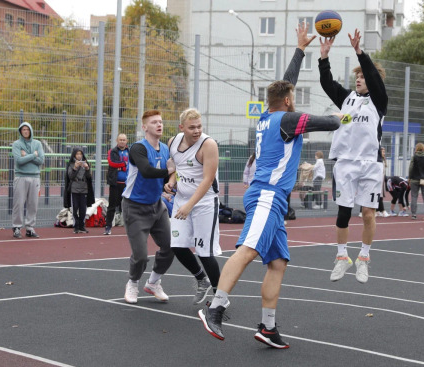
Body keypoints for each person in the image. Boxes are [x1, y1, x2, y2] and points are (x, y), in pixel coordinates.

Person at [199, 22, 341, 348]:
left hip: (269, 198)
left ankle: (268, 327)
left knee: (278, 263)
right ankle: (216, 306)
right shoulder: (289, 120)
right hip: (267, 196)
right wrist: (341, 114)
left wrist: (301, 49)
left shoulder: (267, 116)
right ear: (289, 101)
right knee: (248, 250)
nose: (292, 95)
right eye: (292, 95)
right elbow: (329, 123)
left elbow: (285, 84)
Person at [319, 29, 388, 284]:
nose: (359, 78)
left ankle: (364, 258)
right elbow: (327, 84)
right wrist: (323, 59)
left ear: (372, 80)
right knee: (344, 213)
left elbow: (372, 74)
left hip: (370, 164)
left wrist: (359, 53)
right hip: (346, 163)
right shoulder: (346, 98)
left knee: (368, 214)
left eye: (362, 75)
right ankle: (341, 257)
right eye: (356, 75)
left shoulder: (379, 100)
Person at [165, 108, 221, 305]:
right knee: (178, 246)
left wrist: (189, 205)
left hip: (204, 203)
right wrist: (171, 181)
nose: (197, 130)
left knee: (204, 252)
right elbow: (175, 168)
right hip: (182, 199)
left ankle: (220, 298)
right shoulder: (173, 142)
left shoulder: (208, 145)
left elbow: (207, 180)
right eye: (192, 127)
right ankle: (201, 279)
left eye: (199, 126)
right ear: (182, 127)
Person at [121, 109, 176, 304]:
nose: (159, 125)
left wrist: (168, 184)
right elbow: (146, 171)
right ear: (144, 127)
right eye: (154, 122)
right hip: (134, 207)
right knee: (141, 255)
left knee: (171, 246)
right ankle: (133, 283)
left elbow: (170, 172)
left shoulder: (166, 148)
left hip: (156, 205)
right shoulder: (138, 148)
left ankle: (153, 282)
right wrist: (168, 171)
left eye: (160, 121)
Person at [12, 121, 44, 239]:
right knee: (19, 203)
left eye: (27, 129)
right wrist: (33, 155)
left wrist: (27, 156)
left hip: (35, 177)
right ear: (20, 131)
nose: (25, 131)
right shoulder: (16, 144)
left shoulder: (37, 143)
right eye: (23, 129)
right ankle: (16, 227)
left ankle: (30, 227)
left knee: (33, 203)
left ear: (30, 130)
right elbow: (19, 161)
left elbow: (41, 160)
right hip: (21, 176)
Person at [64, 147, 95, 234]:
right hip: (74, 188)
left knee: (83, 208)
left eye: (80, 154)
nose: (79, 156)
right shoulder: (71, 164)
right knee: (75, 207)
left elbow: (89, 177)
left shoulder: (86, 163)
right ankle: (76, 226)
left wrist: (87, 168)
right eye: (77, 154)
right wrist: (75, 167)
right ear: (74, 155)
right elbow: (70, 177)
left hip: (84, 188)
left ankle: (82, 225)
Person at [104, 133, 129, 235]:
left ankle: (130, 227)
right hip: (115, 183)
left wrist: (121, 166)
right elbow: (112, 163)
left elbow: (132, 164)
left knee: (129, 207)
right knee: (112, 206)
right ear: (117, 141)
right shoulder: (112, 151)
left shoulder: (130, 151)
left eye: (124, 140)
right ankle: (108, 227)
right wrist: (123, 164)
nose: (122, 141)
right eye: (120, 140)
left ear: (126, 141)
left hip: (127, 184)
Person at [408, 143, 424, 220]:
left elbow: (411, 168)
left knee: (414, 196)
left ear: (417, 149)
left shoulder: (414, 157)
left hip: (414, 179)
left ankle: (414, 214)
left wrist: (409, 178)